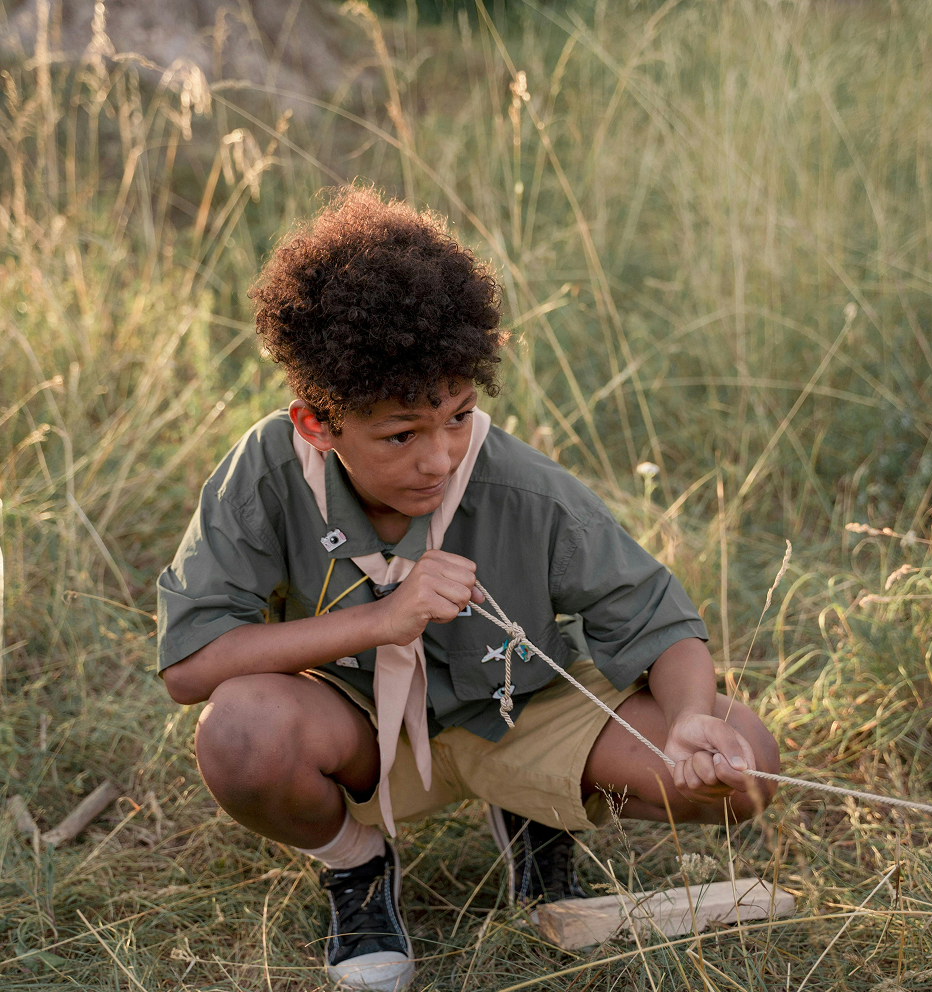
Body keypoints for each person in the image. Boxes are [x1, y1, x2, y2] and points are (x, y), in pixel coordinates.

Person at [157, 186, 780, 992]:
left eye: (457, 415)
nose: (440, 457)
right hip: (358, 733)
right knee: (239, 733)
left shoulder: (519, 484)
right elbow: (190, 666)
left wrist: (694, 717)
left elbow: (659, 622)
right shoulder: (268, 470)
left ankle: (533, 814)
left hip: (518, 712)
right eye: (401, 435)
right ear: (318, 424)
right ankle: (357, 867)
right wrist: (383, 620)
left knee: (749, 766)